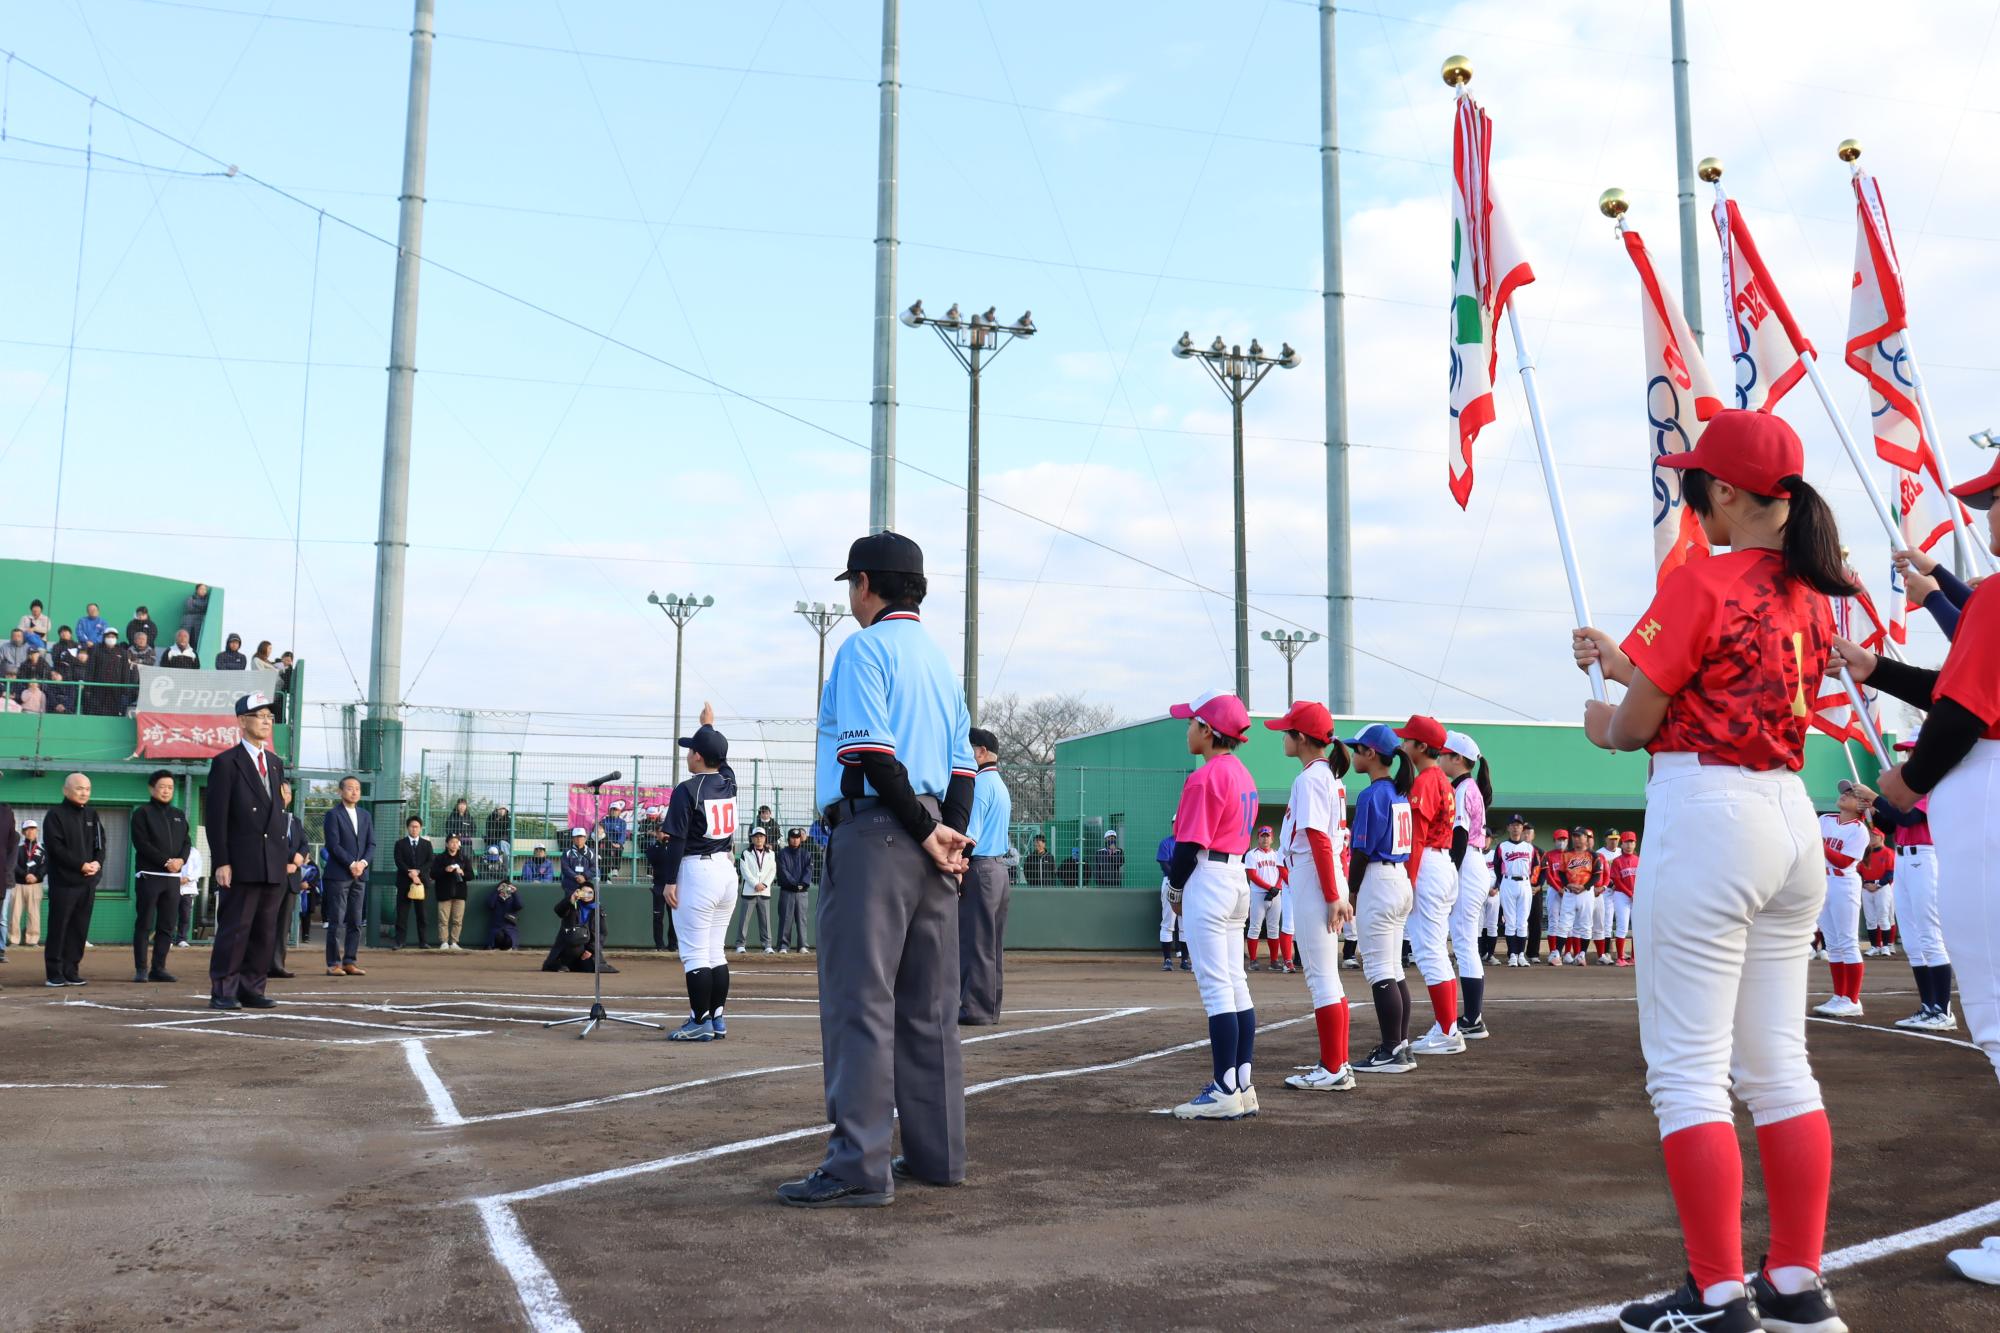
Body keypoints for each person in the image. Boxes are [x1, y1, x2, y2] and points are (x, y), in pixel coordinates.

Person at [1573, 408, 1851, 1330]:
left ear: (1726, 491)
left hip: (1708, 817)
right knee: (1781, 1066)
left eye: (1702, 483)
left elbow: (1637, 726)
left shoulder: (1701, 578)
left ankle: (1719, 1294)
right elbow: (1709, 677)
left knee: (1689, 1072)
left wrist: (1601, 720)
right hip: (1787, 818)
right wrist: (1624, 661)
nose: (1695, 496)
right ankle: (1794, 1284)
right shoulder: (1815, 590)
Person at [778, 532, 975, 1207]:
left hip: (878, 835)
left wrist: (924, 835)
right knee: (929, 1006)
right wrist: (949, 835)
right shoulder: (941, 664)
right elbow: (962, 768)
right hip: (932, 835)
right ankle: (939, 1153)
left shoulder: (864, 648)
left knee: (861, 1002)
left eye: (851, 585)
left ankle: (859, 1164)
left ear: (866, 584)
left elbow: (869, 754)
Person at [1160, 691, 1260, 1122]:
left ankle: (1223, 1089)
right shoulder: (1243, 773)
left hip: (1210, 876)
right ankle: (1241, 1085)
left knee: (1218, 986)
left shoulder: (1205, 776)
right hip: (1236, 876)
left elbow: (1188, 845)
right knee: (1235, 982)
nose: (1187, 729)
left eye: (1191, 723)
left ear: (1208, 730)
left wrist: (1175, 887)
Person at [1262, 702, 1356, 1092]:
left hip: (1316, 878)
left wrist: (1334, 894)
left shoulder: (1311, 778)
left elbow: (1318, 838)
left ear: (1301, 738)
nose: (1282, 736)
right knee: (1326, 977)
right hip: (1322, 875)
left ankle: (1334, 1069)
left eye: (1287, 731)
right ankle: (1337, 1064)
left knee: (1321, 977)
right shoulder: (1326, 775)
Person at [203, 693, 291, 1011]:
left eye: (270, 716)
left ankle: (252, 987)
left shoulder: (276, 763)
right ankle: (224, 989)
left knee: (264, 930)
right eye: (260, 715)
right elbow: (216, 817)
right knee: (235, 929)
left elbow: (278, 813)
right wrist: (222, 861)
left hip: (272, 862)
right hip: (240, 861)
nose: (267, 721)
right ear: (242, 721)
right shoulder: (227, 762)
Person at [659, 703, 738, 1040]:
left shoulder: (687, 790)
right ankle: (716, 1019)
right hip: (726, 872)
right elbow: (724, 763)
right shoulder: (728, 781)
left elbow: (675, 841)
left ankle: (699, 1022)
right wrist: (710, 727)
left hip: (698, 872)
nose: (688, 753)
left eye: (692, 748)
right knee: (715, 949)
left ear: (699, 756)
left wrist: (668, 880)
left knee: (694, 953)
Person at [1341, 724, 1417, 1074]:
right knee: (1394, 968)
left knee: (1379, 969)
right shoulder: (1398, 792)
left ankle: (1391, 1050)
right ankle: (1399, 1047)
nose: (1354, 754)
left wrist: (1350, 892)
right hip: (1398, 879)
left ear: (1372, 754)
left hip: (1379, 879)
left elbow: (1359, 852)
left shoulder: (1374, 794)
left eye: (1358, 749)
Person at [1395, 714, 1462, 1054]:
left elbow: (1416, 837)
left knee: (1429, 950)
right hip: (1441, 863)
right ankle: (1446, 1025)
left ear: (1422, 746)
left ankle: (1449, 1030)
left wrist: (1407, 879)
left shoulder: (1425, 781)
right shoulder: (1440, 779)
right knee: (1434, 949)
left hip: (1430, 865)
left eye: (1408, 740)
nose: (1403, 745)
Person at [1437, 731, 1494, 1043]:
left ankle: (1472, 1018)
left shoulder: (1462, 788)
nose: (1441, 757)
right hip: (1472, 863)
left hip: (1467, 864)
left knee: (1464, 941)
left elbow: (1459, 834)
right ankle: (1473, 1016)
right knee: (1464, 940)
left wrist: (1449, 871)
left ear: (1457, 759)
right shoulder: (1466, 786)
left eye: (1445, 754)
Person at [959, 727, 1014, 1024]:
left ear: (980, 751)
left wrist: (958, 868)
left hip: (980, 869)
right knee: (991, 944)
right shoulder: (999, 783)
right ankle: (989, 1008)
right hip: (999, 870)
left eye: (968, 747)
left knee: (975, 942)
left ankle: (974, 1009)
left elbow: (971, 835)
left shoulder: (980, 783)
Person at [1813, 780, 1874, 1019]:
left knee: (1847, 941)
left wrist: (1818, 844)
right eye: (1845, 792)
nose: (1844, 795)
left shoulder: (1859, 830)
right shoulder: (1825, 819)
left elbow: (1844, 861)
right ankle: (1839, 996)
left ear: (1861, 804)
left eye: (1850, 794)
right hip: (1822, 879)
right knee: (1833, 941)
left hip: (1843, 882)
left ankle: (1852, 999)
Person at [41, 773, 105, 987]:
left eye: (87, 788)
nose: (84, 792)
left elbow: (100, 844)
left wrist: (96, 863)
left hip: (87, 883)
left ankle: (71, 970)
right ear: (65, 790)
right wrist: (80, 865)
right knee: (60, 927)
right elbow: (55, 848)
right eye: (79, 788)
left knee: (79, 928)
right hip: (64, 883)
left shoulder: (92, 814)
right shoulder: (55, 815)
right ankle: (54, 972)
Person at [130, 769, 189, 983]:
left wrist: (181, 860)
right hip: (149, 876)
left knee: (167, 925)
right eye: (162, 787)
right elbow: (142, 843)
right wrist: (166, 861)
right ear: (151, 788)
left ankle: (159, 968)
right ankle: (141, 969)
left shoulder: (178, 815)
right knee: (144, 923)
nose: (166, 791)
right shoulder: (142, 813)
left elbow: (186, 842)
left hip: (172, 879)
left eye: (170, 788)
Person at [320, 775, 374, 977]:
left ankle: (350, 961)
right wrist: (351, 863)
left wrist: (363, 863)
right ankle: (333, 963)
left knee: (356, 920)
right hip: (339, 875)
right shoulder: (333, 815)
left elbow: (371, 844)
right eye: (350, 788)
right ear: (340, 791)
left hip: (360, 876)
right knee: (336, 920)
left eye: (358, 788)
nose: (354, 792)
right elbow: (333, 845)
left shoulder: (365, 815)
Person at [270, 780, 309, 978]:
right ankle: (257, 965)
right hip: (271, 877)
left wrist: (297, 860)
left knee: (283, 924)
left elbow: (304, 843)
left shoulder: (294, 820)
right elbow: (270, 844)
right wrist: (285, 860)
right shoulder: (266, 817)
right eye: (281, 792)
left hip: (291, 879)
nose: (285, 795)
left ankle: (277, 965)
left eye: (287, 792)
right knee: (266, 922)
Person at [542, 881, 616, 973]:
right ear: (578, 892)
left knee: (591, 967)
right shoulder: (572, 905)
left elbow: (602, 933)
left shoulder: (598, 910)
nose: (587, 895)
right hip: (568, 948)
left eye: (590, 892)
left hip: (586, 949)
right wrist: (571, 900)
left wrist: (591, 950)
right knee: (553, 965)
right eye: (584, 892)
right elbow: (558, 910)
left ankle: (575, 965)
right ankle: (563, 964)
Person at [1244, 827, 1287, 973]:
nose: (1265, 838)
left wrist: (1276, 887)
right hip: (1258, 894)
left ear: (1272, 838)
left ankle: (1274, 961)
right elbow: (1252, 875)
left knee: (1274, 928)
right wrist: (1270, 888)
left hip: (1275, 894)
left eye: (1267, 836)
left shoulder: (1277, 854)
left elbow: (1282, 872)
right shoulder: (1252, 854)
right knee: (1255, 927)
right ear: (1258, 838)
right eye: (1262, 836)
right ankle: (1253, 961)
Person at [1495, 816, 1536, 966]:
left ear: (1522, 828)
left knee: (1522, 922)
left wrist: (1533, 884)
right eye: (1512, 825)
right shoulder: (1502, 846)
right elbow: (1497, 867)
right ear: (1508, 828)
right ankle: (1512, 954)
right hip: (1508, 882)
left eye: (1518, 825)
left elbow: (1535, 867)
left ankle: (1521, 955)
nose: (1515, 827)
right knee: (1510, 921)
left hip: (1525, 883)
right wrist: (1502, 883)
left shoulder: (1529, 847)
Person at [393, 816, 435, 950]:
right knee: (402, 914)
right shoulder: (400, 844)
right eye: (412, 826)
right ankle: (400, 942)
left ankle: (423, 942)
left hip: (421, 884)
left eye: (417, 827)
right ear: (407, 828)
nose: (414, 829)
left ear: (420, 828)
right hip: (404, 883)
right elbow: (398, 861)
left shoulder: (427, 844)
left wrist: (417, 872)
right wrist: (410, 873)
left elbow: (430, 861)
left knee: (421, 914)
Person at [734, 828, 777, 953]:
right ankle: (740, 945)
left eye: (761, 836)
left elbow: (772, 870)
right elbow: (744, 871)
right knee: (744, 920)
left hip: (764, 891)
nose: (759, 839)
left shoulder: (771, 854)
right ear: (752, 838)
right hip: (749, 891)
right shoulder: (745, 853)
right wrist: (755, 884)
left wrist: (764, 884)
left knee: (765, 920)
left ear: (765, 838)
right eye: (756, 836)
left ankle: (767, 945)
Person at [1857, 825, 1896, 959]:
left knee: (1883, 916)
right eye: (1870, 836)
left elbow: (1891, 873)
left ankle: (1885, 945)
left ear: (1881, 837)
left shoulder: (1888, 852)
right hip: (1866, 886)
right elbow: (1858, 872)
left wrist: (1878, 884)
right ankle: (1874, 946)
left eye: (1874, 835)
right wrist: (1865, 884)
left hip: (1882, 887)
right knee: (1870, 918)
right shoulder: (1864, 853)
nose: (1872, 838)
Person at [775, 827, 815, 953]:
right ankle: (783, 946)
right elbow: (783, 871)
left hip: (802, 892)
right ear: (788, 839)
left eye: (797, 838)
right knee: (785, 919)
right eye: (793, 838)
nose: (795, 840)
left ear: (800, 839)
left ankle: (803, 945)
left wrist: (802, 884)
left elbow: (808, 870)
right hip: (787, 891)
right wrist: (793, 884)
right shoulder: (782, 853)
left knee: (801, 919)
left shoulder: (806, 853)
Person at [432, 832, 474, 951]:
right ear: (447, 844)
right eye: (452, 842)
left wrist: (462, 873)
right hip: (444, 893)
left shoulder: (464, 858)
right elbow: (433, 874)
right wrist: (445, 870)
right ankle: (444, 942)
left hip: (460, 894)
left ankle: (454, 942)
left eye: (456, 842)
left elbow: (471, 875)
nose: (454, 844)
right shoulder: (439, 858)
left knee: (457, 920)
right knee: (443, 920)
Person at [1155, 833, 1192, 970]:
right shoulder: (1166, 842)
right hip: (1170, 882)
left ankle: (1184, 961)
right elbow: (1164, 864)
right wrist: (1178, 878)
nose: (1177, 824)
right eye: (1175, 822)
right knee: (1168, 922)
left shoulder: (1190, 842)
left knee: (1185, 924)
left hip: (1188, 884)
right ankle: (1167, 960)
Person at [12, 817, 45, 949]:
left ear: (37, 831)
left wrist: (37, 876)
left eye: (33, 829)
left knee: (34, 913)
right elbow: (13, 865)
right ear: (23, 832)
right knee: (15, 913)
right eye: (28, 829)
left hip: (35, 885)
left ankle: (32, 940)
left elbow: (46, 866)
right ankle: (13, 939)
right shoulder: (17, 849)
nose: (31, 831)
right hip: (18, 885)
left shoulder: (42, 850)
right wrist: (25, 875)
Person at [1608, 831, 1640, 966]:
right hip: (1621, 895)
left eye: (1631, 842)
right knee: (1622, 927)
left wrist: (1636, 894)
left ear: (1635, 844)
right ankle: (1620, 958)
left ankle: (1634, 957)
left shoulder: (1639, 860)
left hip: (1636, 896)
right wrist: (1630, 893)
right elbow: (1616, 880)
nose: (1629, 845)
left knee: (1638, 928)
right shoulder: (1617, 861)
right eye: (1626, 842)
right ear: (1622, 844)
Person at [173, 844, 202, 948]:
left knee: (185, 914)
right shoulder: (172, 848)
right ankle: (168, 939)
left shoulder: (194, 852)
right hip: (172, 886)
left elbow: (198, 869)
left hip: (188, 888)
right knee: (169, 914)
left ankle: (181, 939)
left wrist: (188, 878)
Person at [560, 826, 598, 896]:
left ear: (585, 838)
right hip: (570, 885)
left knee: (585, 904)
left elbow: (595, 867)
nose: (579, 839)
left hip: (586, 884)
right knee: (571, 905)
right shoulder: (567, 852)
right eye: (576, 837)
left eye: (581, 837)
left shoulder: (591, 852)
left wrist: (584, 876)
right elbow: (565, 868)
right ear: (573, 839)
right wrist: (576, 876)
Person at [488, 880, 524, 950]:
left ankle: (509, 948)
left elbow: (519, 906)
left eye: (507, 887)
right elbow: (490, 905)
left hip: (510, 928)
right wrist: (497, 891)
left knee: (509, 939)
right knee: (499, 936)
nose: (505, 889)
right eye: (503, 887)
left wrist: (514, 892)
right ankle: (496, 947)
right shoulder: (496, 897)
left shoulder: (513, 898)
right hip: (497, 928)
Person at [599, 801, 630, 880]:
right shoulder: (604, 821)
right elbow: (603, 833)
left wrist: (619, 843)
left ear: (619, 811)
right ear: (609, 811)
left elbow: (623, 834)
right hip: (606, 843)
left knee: (619, 849)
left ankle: (615, 869)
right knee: (605, 851)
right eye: (612, 809)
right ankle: (606, 871)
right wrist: (610, 842)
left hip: (617, 844)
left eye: (615, 810)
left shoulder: (622, 822)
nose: (613, 811)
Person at [485, 803, 512, 868]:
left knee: (502, 843)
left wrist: (498, 837)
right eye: (500, 809)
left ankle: (506, 866)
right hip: (493, 841)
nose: (502, 810)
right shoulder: (490, 818)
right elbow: (490, 832)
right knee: (492, 847)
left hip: (504, 842)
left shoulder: (508, 820)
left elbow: (506, 835)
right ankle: (490, 868)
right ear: (496, 810)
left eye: (504, 809)